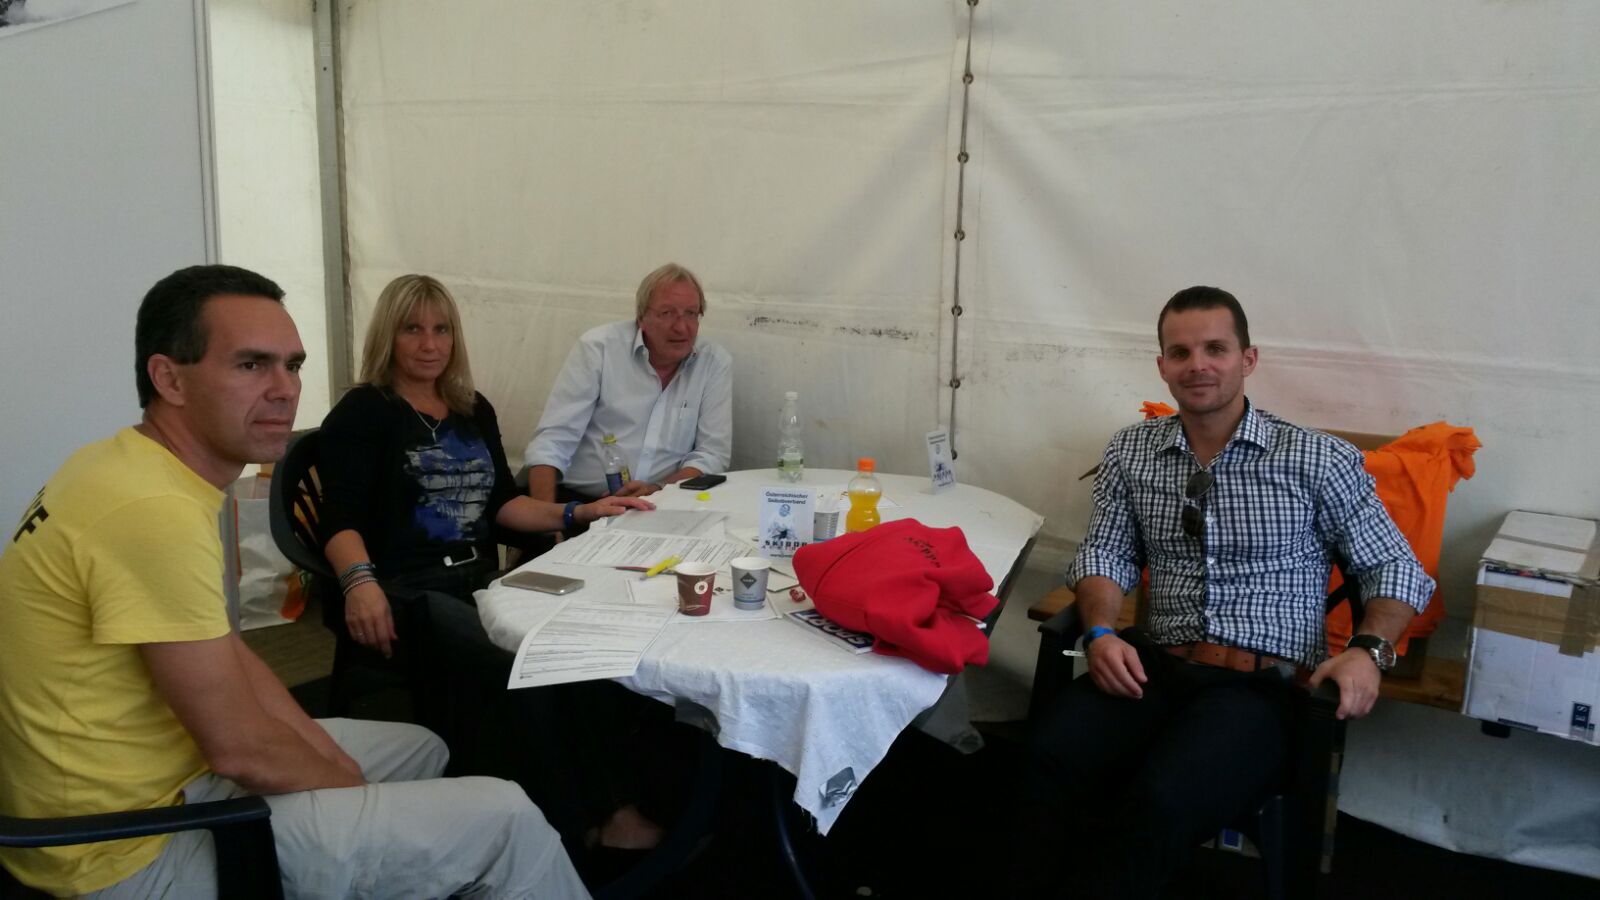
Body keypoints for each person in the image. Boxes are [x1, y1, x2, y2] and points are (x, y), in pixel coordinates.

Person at [0, 265, 589, 899]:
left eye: (293, 365)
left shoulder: (126, 464)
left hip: (166, 773)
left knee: (421, 749)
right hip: (124, 850)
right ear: (169, 379)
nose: (285, 390)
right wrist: (348, 792)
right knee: (509, 819)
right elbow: (240, 751)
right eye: (251, 365)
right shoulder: (152, 511)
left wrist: (332, 767)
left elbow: (229, 654)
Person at [1011, 286, 1434, 899]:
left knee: (1160, 798)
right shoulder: (1132, 451)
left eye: (1216, 349)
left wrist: (1369, 652)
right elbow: (1105, 552)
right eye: (1180, 353)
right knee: (1046, 757)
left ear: (1248, 359)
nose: (1198, 365)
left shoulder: (1315, 458)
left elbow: (1394, 567)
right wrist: (1100, 632)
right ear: (1162, 366)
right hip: (1155, 667)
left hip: (1262, 690)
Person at [319, 274, 649, 658]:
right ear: (387, 336)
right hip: (407, 588)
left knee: (589, 625)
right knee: (528, 653)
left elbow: (503, 503)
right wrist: (359, 583)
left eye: (441, 329)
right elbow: (339, 517)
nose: (430, 344)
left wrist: (580, 511)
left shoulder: (472, 408)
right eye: (412, 329)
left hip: (483, 582)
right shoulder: (363, 412)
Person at [525, 262, 732, 504]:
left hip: (661, 501)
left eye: (691, 313)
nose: (681, 327)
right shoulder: (599, 349)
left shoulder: (713, 362)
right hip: (582, 501)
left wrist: (659, 489)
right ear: (641, 317)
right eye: (667, 313)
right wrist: (546, 515)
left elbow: (711, 453)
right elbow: (553, 440)